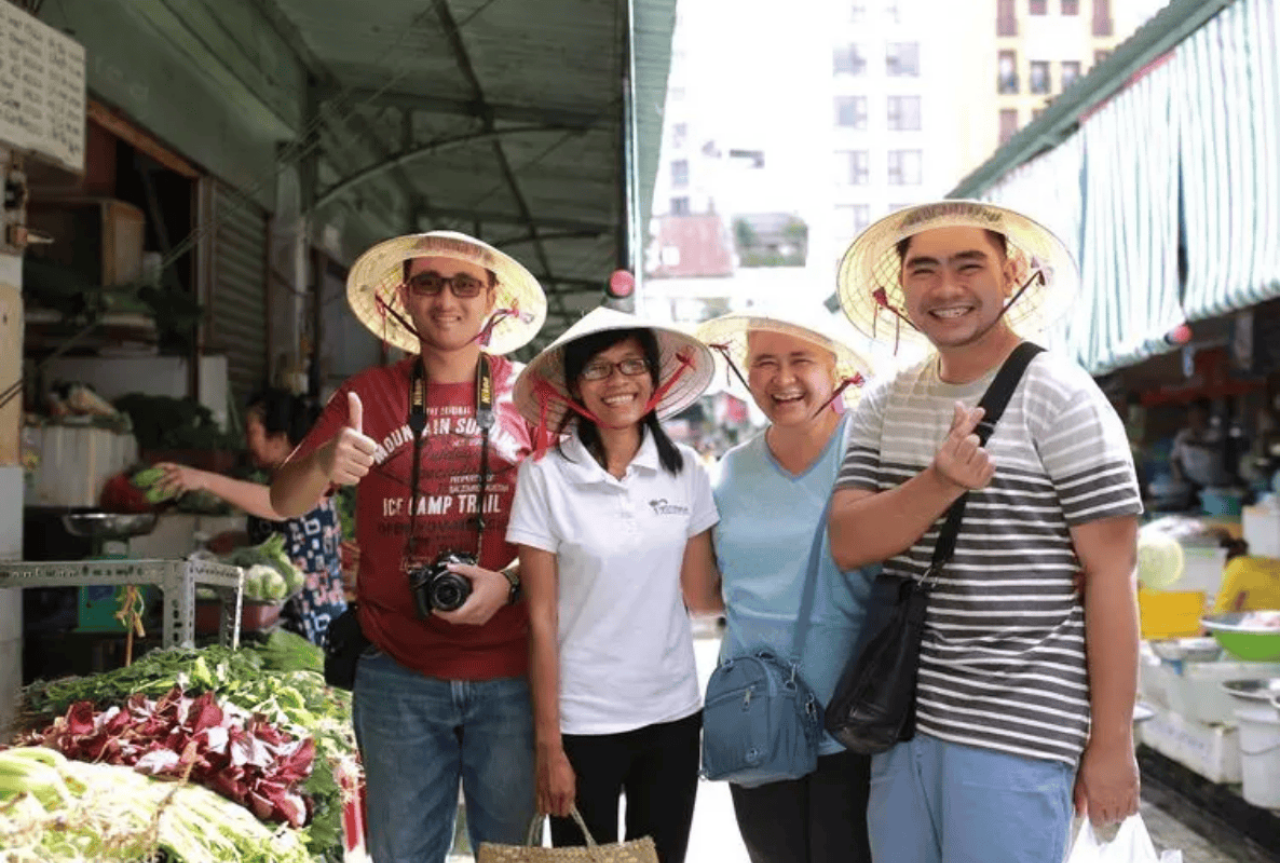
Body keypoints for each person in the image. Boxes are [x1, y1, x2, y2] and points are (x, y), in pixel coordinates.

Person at [828, 201, 1143, 863]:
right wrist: (940, 482)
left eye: (969, 265)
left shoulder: (1063, 396)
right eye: (925, 270)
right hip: (901, 718)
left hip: (1018, 728)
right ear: (899, 288)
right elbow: (850, 540)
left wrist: (1111, 746)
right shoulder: (886, 401)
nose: (945, 289)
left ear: (1012, 274)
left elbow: (1113, 575)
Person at [269, 230, 547, 863]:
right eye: (428, 283)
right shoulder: (368, 395)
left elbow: (570, 529)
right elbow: (281, 499)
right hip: (397, 674)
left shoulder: (531, 398)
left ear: (491, 299)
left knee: (511, 857)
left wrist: (508, 581)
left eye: (464, 284)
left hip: (512, 673)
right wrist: (322, 464)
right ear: (405, 297)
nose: (446, 300)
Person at [505, 307, 717, 863]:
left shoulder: (688, 471)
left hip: (672, 716)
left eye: (631, 364)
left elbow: (701, 597)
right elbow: (541, 619)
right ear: (574, 387)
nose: (618, 381)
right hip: (583, 723)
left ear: (654, 376)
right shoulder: (544, 477)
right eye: (598, 369)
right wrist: (549, 744)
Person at [688, 310, 877, 863]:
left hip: (858, 721)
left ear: (836, 367)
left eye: (801, 360)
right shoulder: (728, 472)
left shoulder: (873, 453)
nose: (782, 378)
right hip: (757, 720)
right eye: (764, 362)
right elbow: (704, 597)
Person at [155, 388, 345, 644]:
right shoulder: (285, 478)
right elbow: (291, 536)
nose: (245, 441)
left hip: (310, 626)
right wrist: (242, 541)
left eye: (251, 432)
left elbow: (277, 506)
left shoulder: (308, 479)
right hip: (286, 621)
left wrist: (202, 479)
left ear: (279, 439)